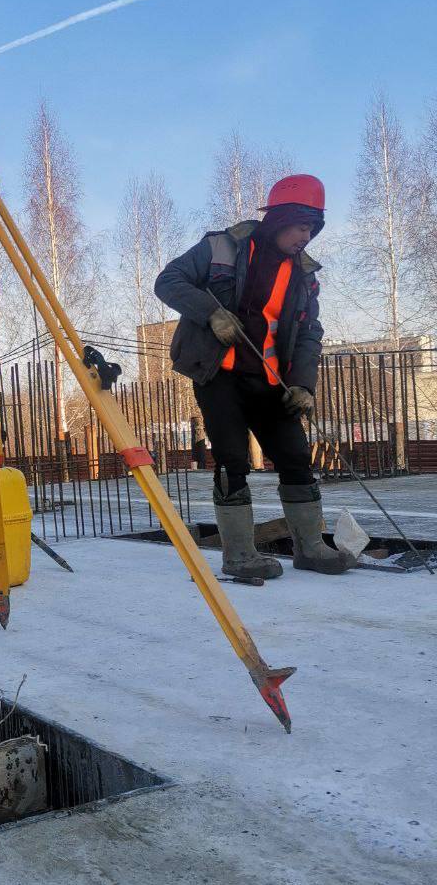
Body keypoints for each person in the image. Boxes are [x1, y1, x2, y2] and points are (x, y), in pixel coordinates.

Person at [154, 174, 356, 581]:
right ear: (283, 218)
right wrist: (210, 313)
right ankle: (240, 556)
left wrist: (302, 385)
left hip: (271, 381)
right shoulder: (221, 247)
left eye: (313, 230)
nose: (307, 237)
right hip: (220, 375)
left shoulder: (304, 277)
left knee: (296, 457)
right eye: (303, 226)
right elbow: (168, 282)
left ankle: (311, 548)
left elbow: (309, 334)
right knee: (232, 461)